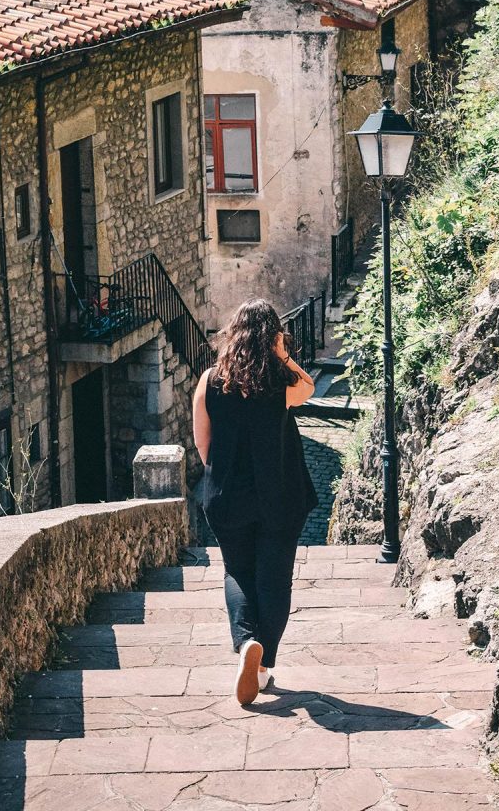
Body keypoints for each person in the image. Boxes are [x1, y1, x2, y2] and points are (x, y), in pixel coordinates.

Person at [192, 298, 318, 705]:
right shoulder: (280, 385)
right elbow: (309, 387)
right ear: (272, 337)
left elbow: (202, 444)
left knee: (238, 573)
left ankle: (246, 642)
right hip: (279, 494)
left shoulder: (210, 380)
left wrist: (224, 474)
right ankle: (262, 667)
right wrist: (283, 354)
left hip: (228, 496)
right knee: (275, 579)